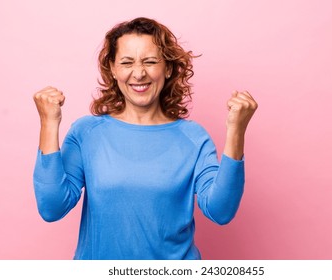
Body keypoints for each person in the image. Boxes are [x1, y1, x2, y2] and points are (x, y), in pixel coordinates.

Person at [33, 17, 257, 260]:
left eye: (150, 62)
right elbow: (52, 207)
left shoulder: (193, 138)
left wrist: (236, 130)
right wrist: (49, 123)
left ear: (167, 68)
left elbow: (220, 211)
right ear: (113, 68)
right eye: (127, 62)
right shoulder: (87, 133)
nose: (139, 74)